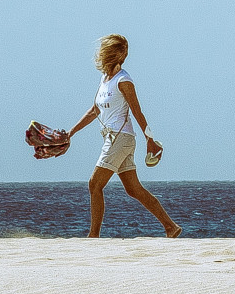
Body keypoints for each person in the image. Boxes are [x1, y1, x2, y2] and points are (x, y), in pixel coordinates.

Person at [65, 34, 182, 238]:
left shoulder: (123, 80)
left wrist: (150, 140)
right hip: (114, 139)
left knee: (94, 184)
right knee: (133, 189)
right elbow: (94, 110)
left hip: (120, 138)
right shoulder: (105, 80)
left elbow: (137, 112)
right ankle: (171, 227)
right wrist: (70, 133)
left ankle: (93, 236)